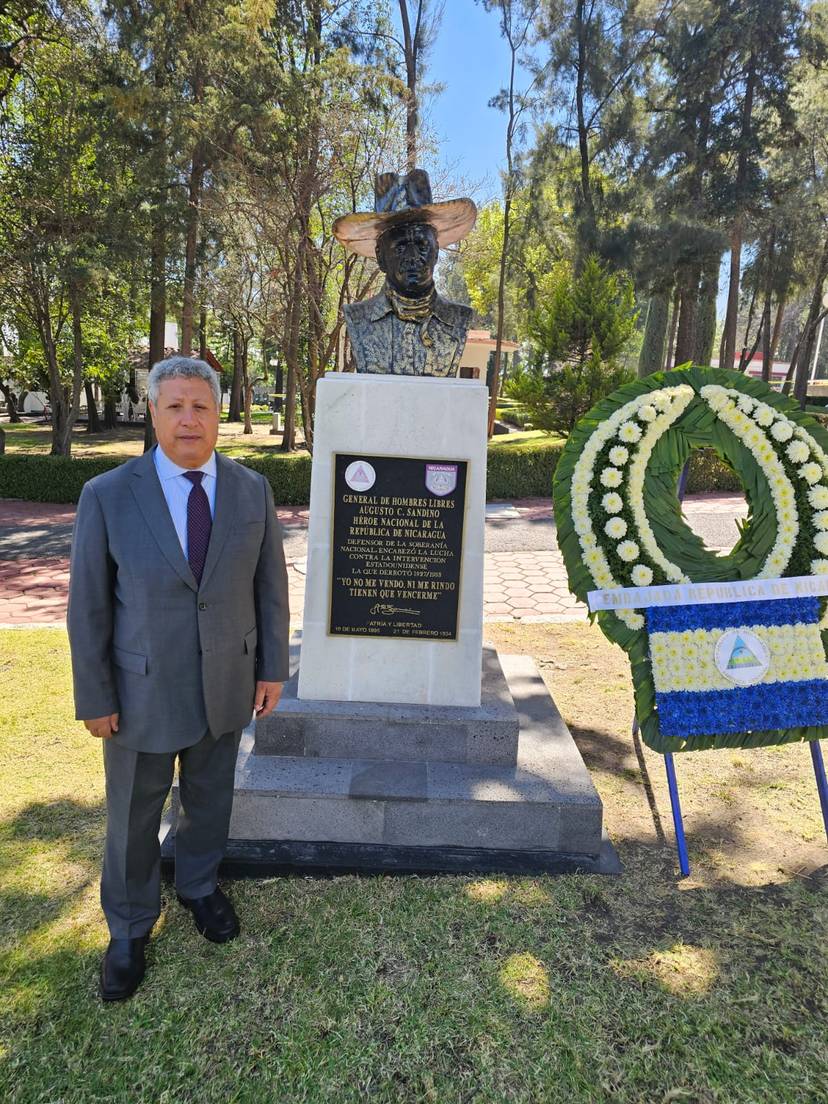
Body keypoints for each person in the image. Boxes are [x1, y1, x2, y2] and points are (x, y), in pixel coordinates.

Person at [67, 355, 289, 1002]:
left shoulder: (253, 490)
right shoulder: (107, 495)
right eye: (175, 406)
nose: (189, 418)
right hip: (140, 693)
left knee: (209, 798)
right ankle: (130, 928)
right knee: (133, 816)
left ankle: (197, 886)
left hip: (228, 682)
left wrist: (272, 667)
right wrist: (95, 695)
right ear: (153, 412)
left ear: (220, 413)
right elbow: (88, 608)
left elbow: (270, 587)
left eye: (202, 406)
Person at [333, 169, 477, 376]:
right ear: (381, 258)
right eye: (400, 246)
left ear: (436, 252)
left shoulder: (458, 318)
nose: (412, 255)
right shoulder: (358, 319)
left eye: (421, 244)